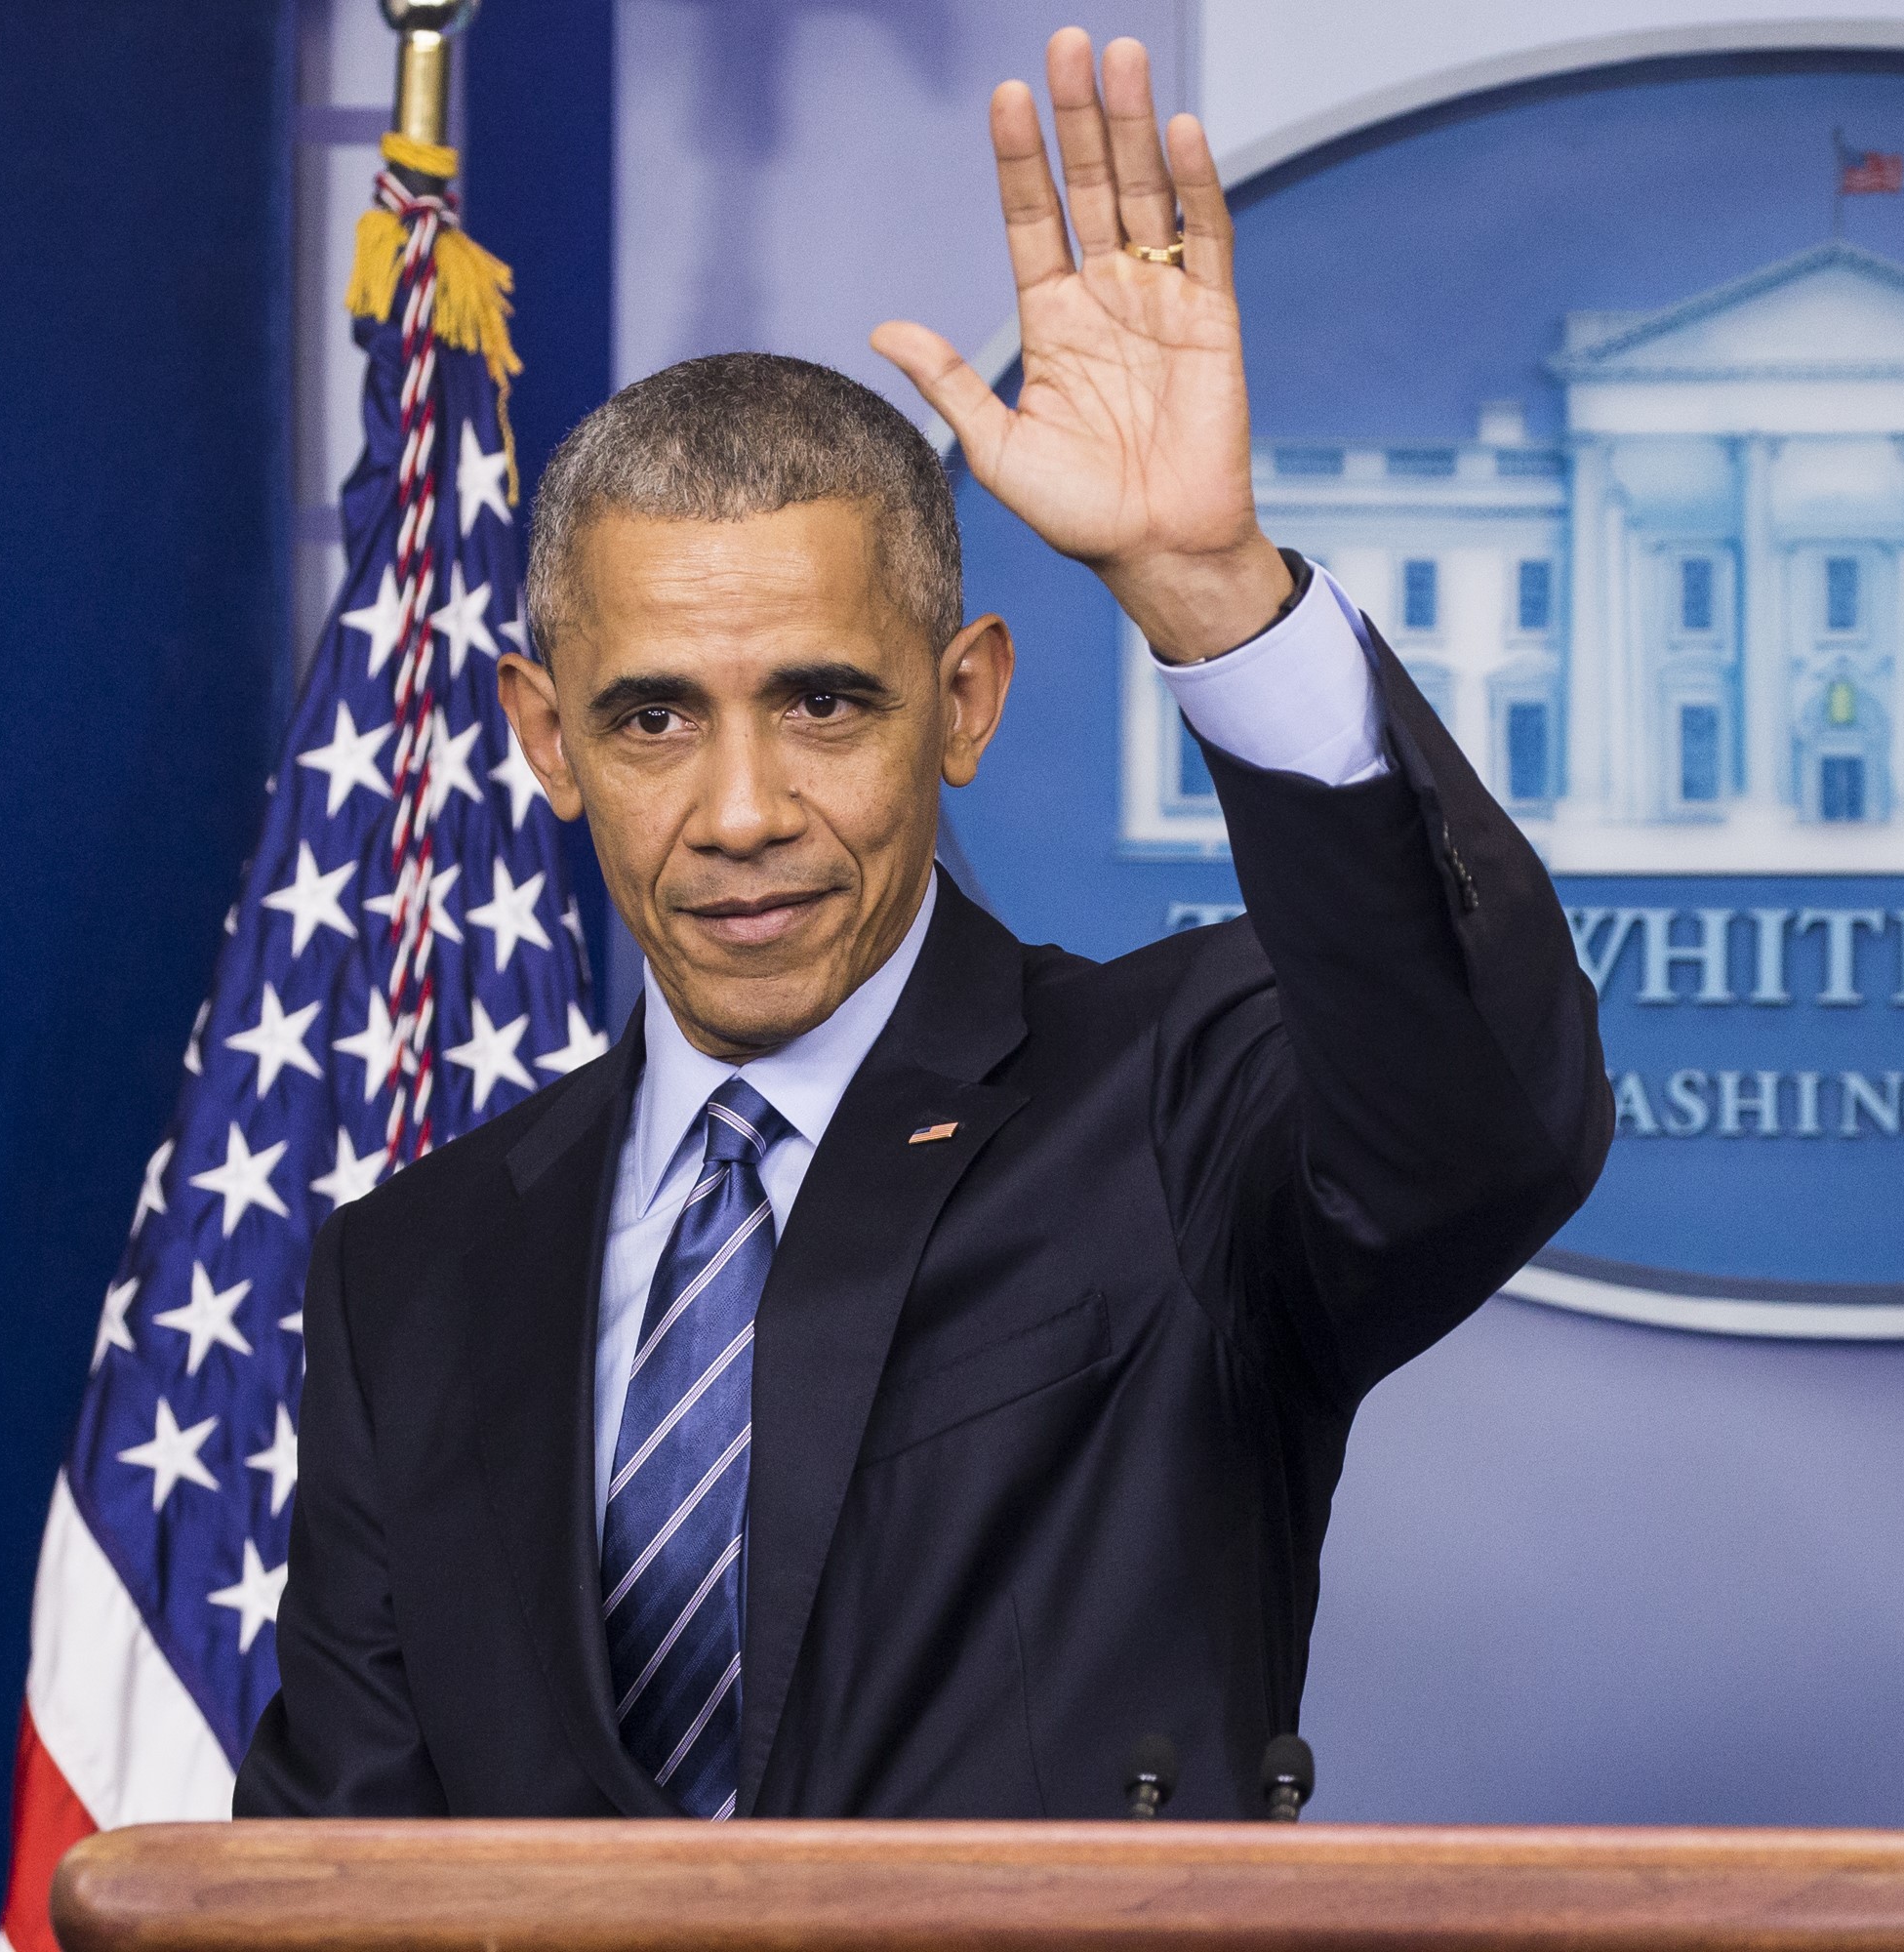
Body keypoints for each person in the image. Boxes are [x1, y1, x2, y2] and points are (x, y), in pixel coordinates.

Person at [234, 26, 1609, 1823]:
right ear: (544, 739)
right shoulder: (410, 1271)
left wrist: (1211, 597)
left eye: (824, 704)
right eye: (654, 717)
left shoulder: (1175, 1104)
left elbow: (1477, 1133)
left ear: (962, 703)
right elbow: (334, 1868)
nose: (740, 812)